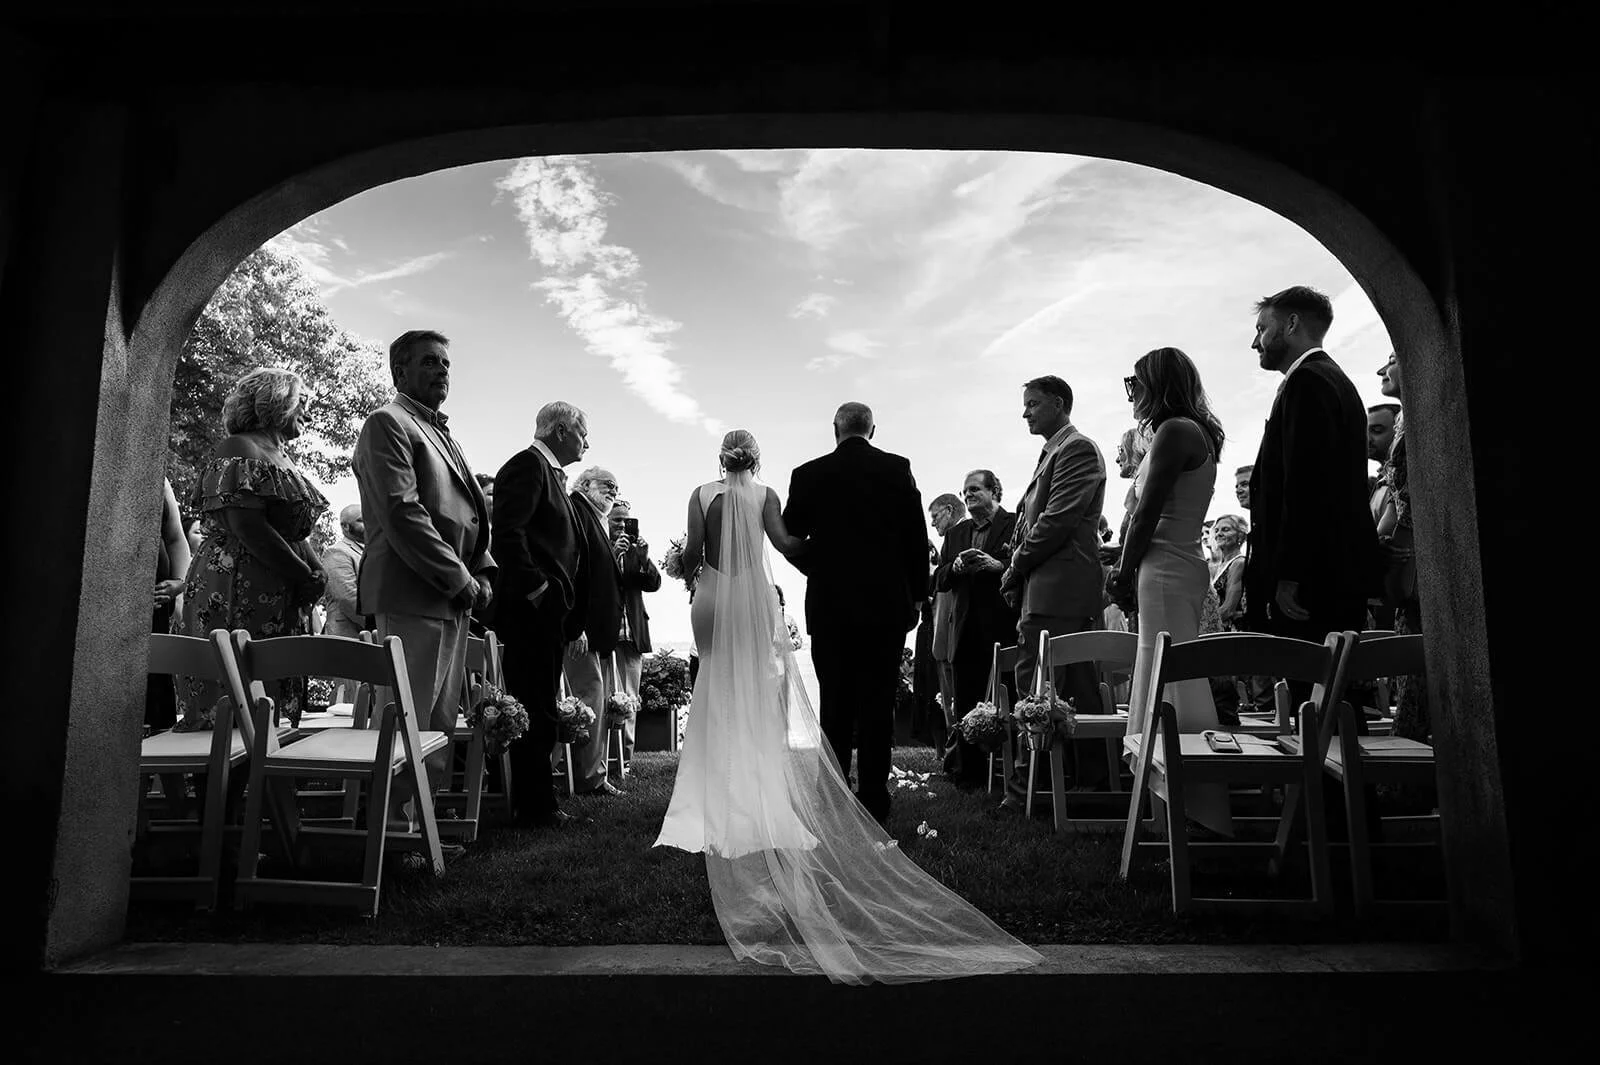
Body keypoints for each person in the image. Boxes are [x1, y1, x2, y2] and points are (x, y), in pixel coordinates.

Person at [654, 428, 1041, 985]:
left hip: (712, 595)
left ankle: (712, 795)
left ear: (719, 458)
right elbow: (788, 546)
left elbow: (692, 554)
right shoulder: (764, 496)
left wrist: (684, 564)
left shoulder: (700, 493)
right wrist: (847, 553)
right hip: (755, 597)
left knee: (714, 687)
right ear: (756, 458)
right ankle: (766, 790)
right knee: (761, 696)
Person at [353, 330, 495, 837]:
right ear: (400, 371)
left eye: (447, 364)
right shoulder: (387, 423)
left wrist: (481, 571)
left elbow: (471, 512)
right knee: (404, 721)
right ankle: (390, 831)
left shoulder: (440, 431)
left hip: (451, 595)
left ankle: (421, 829)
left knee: (437, 723)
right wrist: (460, 579)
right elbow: (403, 512)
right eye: (430, 362)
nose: (442, 371)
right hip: (413, 589)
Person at [781, 403, 928, 825]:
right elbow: (916, 538)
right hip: (886, 605)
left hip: (830, 605)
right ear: (872, 430)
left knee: (836, 702)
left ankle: (833, 793)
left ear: (835, 430)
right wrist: (917, 595)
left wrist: (819, 567)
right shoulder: (897, 468)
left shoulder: (808, 474)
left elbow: (791, 537)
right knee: (878, 701)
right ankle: (875, 799)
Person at [1106, 347, 1232, 837]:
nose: (1131, 393)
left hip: (1162, 569)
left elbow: (1147, 512)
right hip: (1172, 567)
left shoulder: (1175, 431)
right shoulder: (1186, 431)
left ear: (1159, 384)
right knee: (1168, 672)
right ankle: (1173, 810)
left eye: (1135, 382)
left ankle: (1195, 809)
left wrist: (1121, 572)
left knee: (1172, 677)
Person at [178, 368, 327, 731]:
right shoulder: (239, 446)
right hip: (236, 583)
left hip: (276, 587)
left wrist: (316, 569)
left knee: (265, 700)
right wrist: (302, 574)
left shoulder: (283, 457)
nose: (308, 415)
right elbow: (248, 527)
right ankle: (219, 784)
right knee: (233, 698)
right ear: (279, 401)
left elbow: (292, 531)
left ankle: (261, 778)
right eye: (303, 404)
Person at [1243, 287, 1383, 654]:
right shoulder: (1331, 379)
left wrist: (1289, 573)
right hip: (1327, 571)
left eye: (1262, 329)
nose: (1256, 342)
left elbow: (1306, 485)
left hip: (1313, 581)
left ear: (1291, 324)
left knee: (1315, 690)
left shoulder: (1309, 382)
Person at [999, 375, 1107, 810]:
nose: (1025, 412)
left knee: (1038, 689)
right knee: (1076, 687)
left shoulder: (1076, 449)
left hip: (1058, 589)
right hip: (1049, 589)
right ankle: (1088, 785)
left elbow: (1056, 521)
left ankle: (1029, 792)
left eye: (1033, 404)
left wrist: (1015, 566)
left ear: (1059, 404)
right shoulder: (1053, 453)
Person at [490, 401, 587, 828]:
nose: (588, 441)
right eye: (584, 431)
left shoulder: (551, 475)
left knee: (543, 704)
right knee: (535, 706)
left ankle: (538, 800)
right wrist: (538, 589)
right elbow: (508, 535)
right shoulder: (526, 467)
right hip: (531, 613)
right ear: (562, 430)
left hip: (548, 613)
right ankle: (535, 806)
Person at [932, 470, 1018, 788]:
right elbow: (938, 580)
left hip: (1004, 626)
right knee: (967, 701)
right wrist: (953, 568)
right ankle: (970, 774)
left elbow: (1026, 565)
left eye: (974, 490)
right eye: (965, 492)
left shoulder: (1013, 523)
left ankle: (1013, 771)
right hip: (965, 629)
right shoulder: (956, 534)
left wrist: (999, 567)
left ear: (994, 490)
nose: (967, 496)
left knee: (1007, 696)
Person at [1376, 352, 1428, 742]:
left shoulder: (1426, 418)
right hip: (1401, 562)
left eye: (1393, 358)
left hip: (1418, 560)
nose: (1383, 369)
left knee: (1421, 674)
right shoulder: (1405, 423)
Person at [565, 465, 626, 796]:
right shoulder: (576, 511)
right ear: (586, 484)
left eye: (616, 488)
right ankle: (590, 777)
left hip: (595, 631)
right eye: (607, 485)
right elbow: (574, 571)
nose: (613, 492)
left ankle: (592, 773)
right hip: (582, 631)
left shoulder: (593, 516)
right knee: (588, 700)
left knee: (593, 701)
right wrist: (577, 625)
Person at [608, 498, 662, 763]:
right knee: (605, 697)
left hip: (632, 635)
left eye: (626, 520)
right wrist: (612, 553)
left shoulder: (635, 553)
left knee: (630, 698)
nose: (621, 526)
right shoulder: (601, 548)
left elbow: (653, 584)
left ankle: (624, 760)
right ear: (605, 520)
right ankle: (602, 758)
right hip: (606, 634)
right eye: (617, 520)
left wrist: (644, 559)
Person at [925, 491, 964, 749]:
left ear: (949, 511)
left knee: (953, 695)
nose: (933, 523)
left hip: (953, 631)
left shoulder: (958, 536)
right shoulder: (952, 538)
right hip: (944, 631)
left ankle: (956, 749)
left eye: (935, 516)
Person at [319, 504, 366, 639]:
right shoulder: (336, 552)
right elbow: (347, 598)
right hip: (347, 637)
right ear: (345, 526)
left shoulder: (372, 551)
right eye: (361, 520)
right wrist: (376, 623)